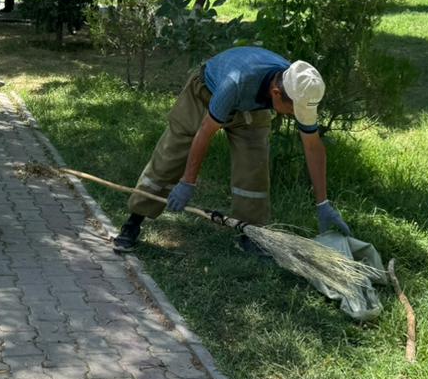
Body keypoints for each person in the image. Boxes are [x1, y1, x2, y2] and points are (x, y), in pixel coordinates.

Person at [112, 46, 351, 252]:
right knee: (171, 153)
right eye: (293, 110)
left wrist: (323, 202)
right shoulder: (235, 83)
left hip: (253, 107)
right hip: (205, 93)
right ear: (276, 93)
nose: (294, 116)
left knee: (254, 165)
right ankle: (134, 220)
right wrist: (188, 182)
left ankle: (250, 234)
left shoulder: (299, 85)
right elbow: (205, 132)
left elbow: (313, 146)